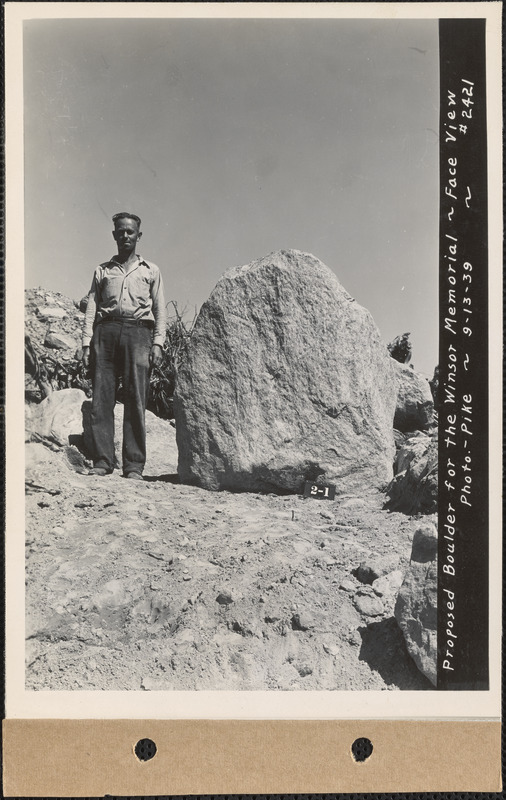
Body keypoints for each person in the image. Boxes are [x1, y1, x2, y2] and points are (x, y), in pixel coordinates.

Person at [82, 213, 166, 479]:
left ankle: (133, 465)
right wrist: (86, 343)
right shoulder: (102, 270)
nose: (126, 236)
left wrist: (158, 343)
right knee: (101, 398)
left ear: (138, 236)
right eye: (121, 232)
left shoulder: (150, 270)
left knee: (136, 398)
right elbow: (92, 307)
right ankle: (103, 461)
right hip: (105, 332)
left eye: (131, 232)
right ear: (114, 235)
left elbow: (160, 309)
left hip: (139, 332)